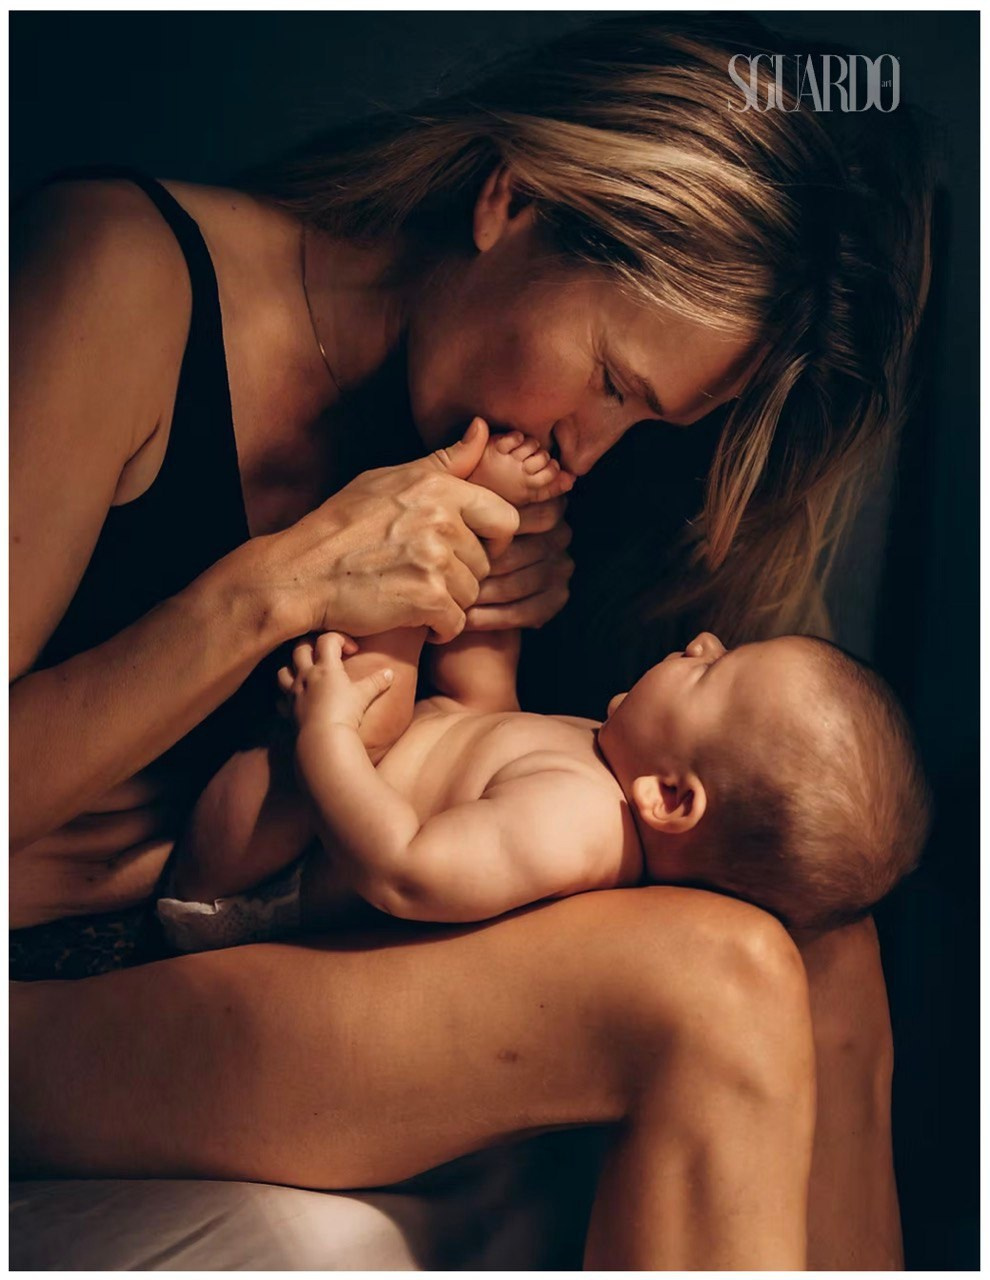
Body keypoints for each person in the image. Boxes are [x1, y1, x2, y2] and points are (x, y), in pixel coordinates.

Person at [10, 14, 931, 1268]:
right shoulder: (122, 273)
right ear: (513, 200)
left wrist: (497, 628)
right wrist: (280, 587)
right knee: (709, 982)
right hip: (48, 984)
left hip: (261, 935)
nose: (586, 451)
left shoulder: (494, 449)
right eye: (612, 380)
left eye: (642, 422)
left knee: (823, 928)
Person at [157, 442, 930, 947]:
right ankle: (479, 519)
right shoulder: (602, 763)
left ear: (670, 797)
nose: (703, 641)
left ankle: (443, 517)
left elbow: (404, 868)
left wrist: (326, 736)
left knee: (380, 704)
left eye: (710, 672)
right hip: (292, 826)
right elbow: (482, 707)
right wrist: (514, 542)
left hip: (252, 883)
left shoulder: (575, 827)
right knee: (442, 656)